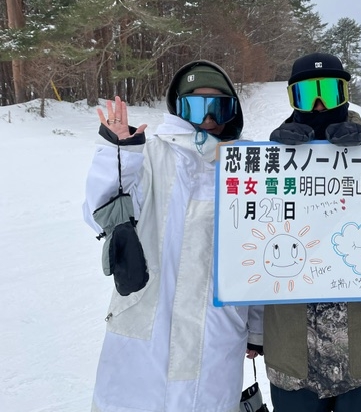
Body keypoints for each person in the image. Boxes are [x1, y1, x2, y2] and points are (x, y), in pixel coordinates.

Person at [83, 60, 263, 412]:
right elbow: (102, 213)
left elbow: (255, 253)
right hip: (147, 326)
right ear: (178, 107)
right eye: (196, 105)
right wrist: (118, 154)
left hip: (217, 333)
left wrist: (255, 324)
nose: (209, 117)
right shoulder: (150, 153)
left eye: (219, 106)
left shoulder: (245, 169)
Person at [264, 52, 361, 412]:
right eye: (307, 94)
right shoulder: (272, 158)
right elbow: (250, 241)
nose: (319, 104)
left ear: (346, 93)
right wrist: (272, 159)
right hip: (293, 354)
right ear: (292, 98)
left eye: (329, 90)